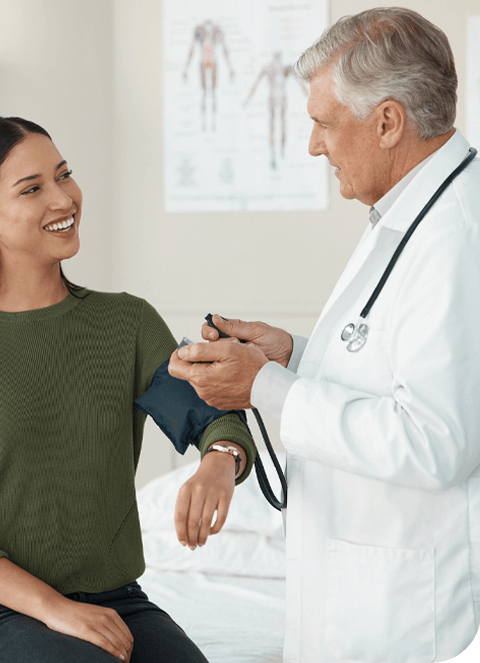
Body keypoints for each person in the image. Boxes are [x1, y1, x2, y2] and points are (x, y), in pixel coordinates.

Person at [170, 8, 480, 662]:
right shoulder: (407, 214)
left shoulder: (457, 235)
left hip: (406, 615)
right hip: (359, 594)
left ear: (387, 121)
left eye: (322, 122)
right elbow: (392, 370)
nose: (312, 145)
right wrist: (292, 355)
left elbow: (434, 441)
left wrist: (267, 387)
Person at [0, 116, 256, 663]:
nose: (64, 198)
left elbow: (210, 417)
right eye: (33, 188)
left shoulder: (126, 323)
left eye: (64, 176)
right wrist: (51, 607)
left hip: (116, 600)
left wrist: (220, 461)